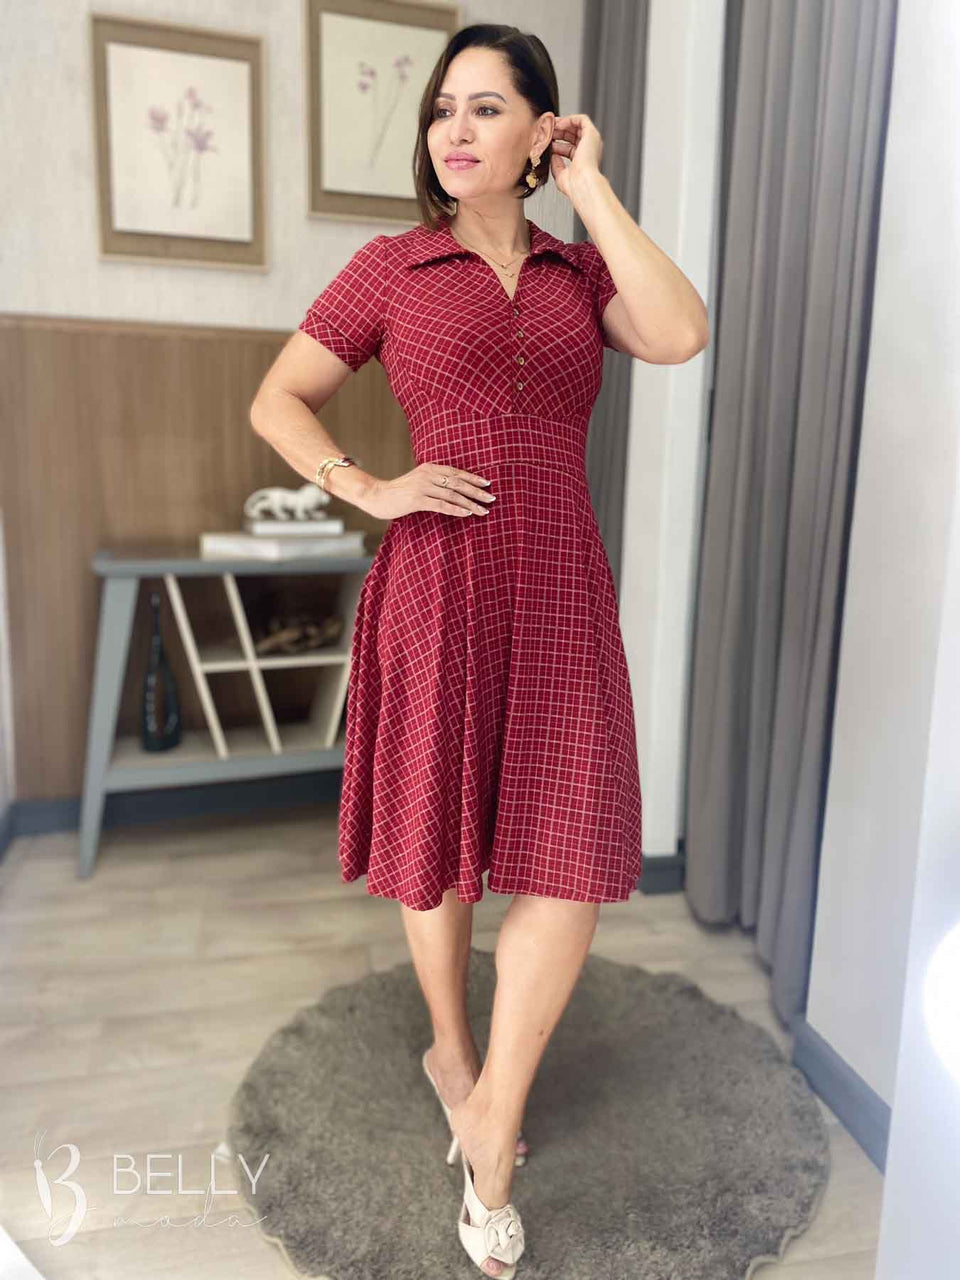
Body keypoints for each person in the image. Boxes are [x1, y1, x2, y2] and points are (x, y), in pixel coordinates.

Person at [250, 22, 708, 1278]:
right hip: (439, 581)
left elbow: (680, 332)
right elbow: (278, 396)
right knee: (440, 828)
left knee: (571, 844)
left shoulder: (579, 273)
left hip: (561, 582)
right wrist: (367, 483)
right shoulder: (392, 267)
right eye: (443, 108)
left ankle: (493, 1119)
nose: (454, 129)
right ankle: (452, 1048)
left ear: (541, 131)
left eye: (487, 108)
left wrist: (591, 187)